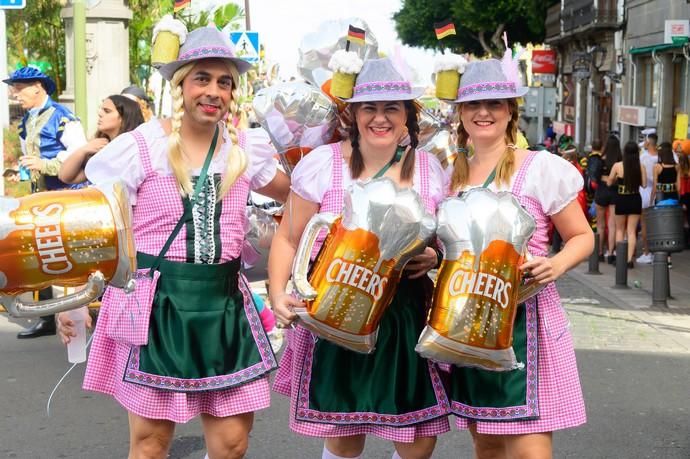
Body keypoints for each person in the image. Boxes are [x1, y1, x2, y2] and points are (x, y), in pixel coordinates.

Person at [56, 27, 289, 458]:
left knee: (233, 445)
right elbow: (91, 227)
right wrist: (72, 300)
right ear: (180, 83)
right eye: (202, 78)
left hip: (224, 305)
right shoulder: (140, 147)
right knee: (149, 445)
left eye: (225, 82)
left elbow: (299, 201)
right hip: (156, 304)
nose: (214, 91)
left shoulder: (245, 148)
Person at [269, 58, 450, 459]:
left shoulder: (430, 169)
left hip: (407, 311)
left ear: (408, 116)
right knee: (346, 432)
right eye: (370, 108)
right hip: (339, 307)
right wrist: (279, 294)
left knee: (418, 438)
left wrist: (433, 256)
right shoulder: (325, 163)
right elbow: (288, 237)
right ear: (352, 114)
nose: (380, 118)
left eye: (392, 108)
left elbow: (445, 241)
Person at [446, 56, 593, 458]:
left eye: (495, 103)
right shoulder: (452, 175)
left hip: (528, 320)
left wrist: (556, 264)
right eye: (474, 104)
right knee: (488, 444)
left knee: (530, 449)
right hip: (469, 321)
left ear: (510, 109)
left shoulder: (540, 168)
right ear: (460, 113)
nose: (483, 112)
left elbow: (582, 236)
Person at [3, 65, 87, 339]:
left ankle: (75, 316)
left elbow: (79, 153)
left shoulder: (63, 117)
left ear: (38, 87)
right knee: (44, 253)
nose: (15, 94)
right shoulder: (28, 119)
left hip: (65, 196)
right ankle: (49, 316)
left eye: (19, 87)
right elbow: (32, 155)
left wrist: (45, 164)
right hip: (42, 197)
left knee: (65, 255)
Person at [59, 94, 145, 184]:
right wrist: (84, 150)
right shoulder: (101, 147)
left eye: (107, 111)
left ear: (124, 118)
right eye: (101, 110)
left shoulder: (134, 149)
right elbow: (65, 176)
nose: (100, 114)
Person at [606, 141, 646, 268]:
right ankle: (629, 260)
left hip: (621, 198)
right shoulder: (641, 166)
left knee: (619, 230)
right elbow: (644, 185)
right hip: (635, 198)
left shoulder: (617, 166)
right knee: (631, 231)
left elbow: (609, 182)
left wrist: (616, 180)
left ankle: (620, 258)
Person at [594, 135, 622, 264]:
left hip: (601, 192)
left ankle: (599, 252)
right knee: (613, 225)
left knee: (600, 225)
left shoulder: (600, 160)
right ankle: (611, 253)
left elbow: (595, 177)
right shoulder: (619, 161)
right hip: (615, 192)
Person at [636, 133, 658, 264]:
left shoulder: (643, 157)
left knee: (644, 224)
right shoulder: (662, 156)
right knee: (656, 225)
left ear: (648, 143)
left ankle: (646, 252)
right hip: (660, 192)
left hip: (645, 191)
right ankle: (657, 252)